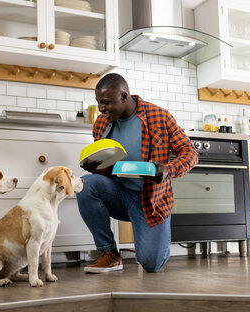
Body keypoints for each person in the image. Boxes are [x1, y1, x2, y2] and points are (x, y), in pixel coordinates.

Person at [77, 73, 197, 273]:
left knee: (150, 264)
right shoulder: (101, 124)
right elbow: (106, 162)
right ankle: (109, 254)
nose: (102, 109)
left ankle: (158, 245)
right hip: (119, 195)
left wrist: (168, 169)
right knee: (86, 184)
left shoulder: (158, 117)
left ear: (124, 96)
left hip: (151, 200)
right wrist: (95, 166)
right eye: (99, 103)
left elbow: (190, 152)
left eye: (106, 103)